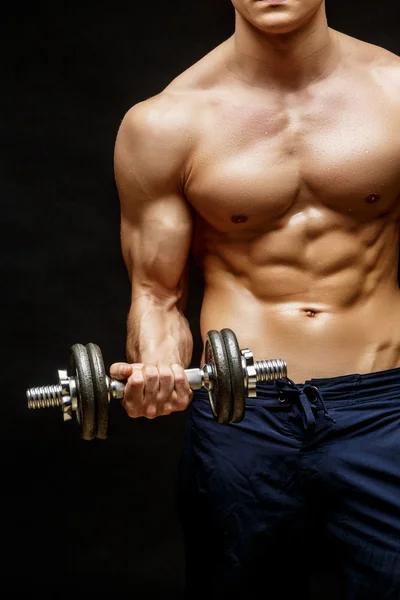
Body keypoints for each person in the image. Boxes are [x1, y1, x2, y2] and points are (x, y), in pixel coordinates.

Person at [110, 1, 400, 598]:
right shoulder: (166, 124)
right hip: (242, 418)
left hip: (386, 406)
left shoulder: (394, 92)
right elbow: (157, 294)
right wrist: (158, 366)